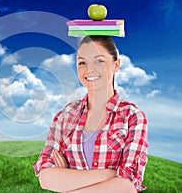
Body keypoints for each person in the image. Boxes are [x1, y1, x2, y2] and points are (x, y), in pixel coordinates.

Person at [33, 36, 148, 193]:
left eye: (99, 61)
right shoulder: (65, 116)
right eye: (82, 62)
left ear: (116, 64)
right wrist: (112, 175)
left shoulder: (132, 117)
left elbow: (127, 185)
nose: (89, 69)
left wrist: (67, 179)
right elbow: (46, 178)